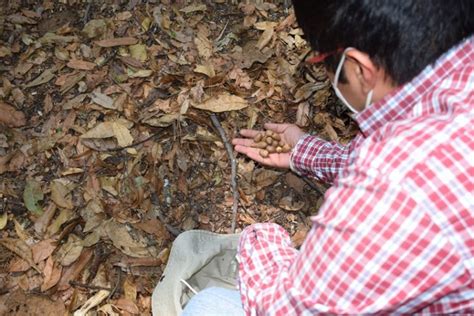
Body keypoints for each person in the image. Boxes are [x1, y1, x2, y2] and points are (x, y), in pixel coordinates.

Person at [182, 0, 474, 314]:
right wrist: (305, 152)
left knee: (206, 306)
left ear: (360, 68)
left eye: (322, 60)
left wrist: (258, 238)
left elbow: (286, 309)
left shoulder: (395, 191)